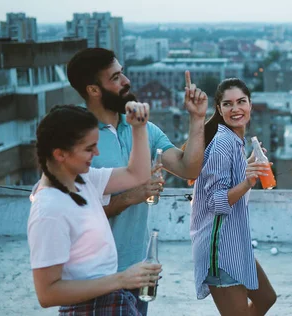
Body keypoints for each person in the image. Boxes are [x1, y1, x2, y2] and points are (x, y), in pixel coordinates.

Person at [66, 48, 207, 314]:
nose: (127, 81)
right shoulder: (74, 135)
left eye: (123, 73)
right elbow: (73, 215)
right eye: (116, 77)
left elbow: (189, 169)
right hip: (93, 275)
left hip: (138, 270)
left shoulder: (143, 128)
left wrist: (197, 118)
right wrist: (133, 195)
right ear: (93, 90)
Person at [28, 104, 162, 315]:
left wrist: (138, 127)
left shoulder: (82, 180)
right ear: (60, 154)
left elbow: (137, 174)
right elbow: (47, 294)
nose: (97, 153)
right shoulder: (49, 209)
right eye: (89, 148)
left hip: (111, 302)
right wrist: (121, 279)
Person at [190, 78, 277, 315]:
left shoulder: (235, 141)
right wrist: (248, 182)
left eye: (241, 102)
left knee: (266, 298)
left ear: (250, 104)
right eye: (228, 104)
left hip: (236, 243)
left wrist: (249, 165)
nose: (236, 109)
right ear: (219, 109)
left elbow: (228, 178)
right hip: (219, 249)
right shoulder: (221, 144)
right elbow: (215, 202)